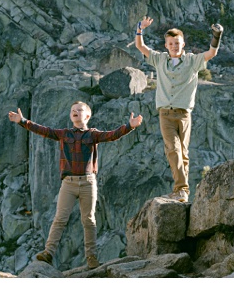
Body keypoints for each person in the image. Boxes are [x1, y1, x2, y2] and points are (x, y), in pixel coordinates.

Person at [8, 101, 143, 270]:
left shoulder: (93, 135)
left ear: (87, 116)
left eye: (79, 110)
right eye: (73, 110)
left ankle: (92, 258)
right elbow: (44, 130)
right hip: (68, 184)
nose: (75, 112)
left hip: (88, 183)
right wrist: (22, 121)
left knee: (89, 220)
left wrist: (129, 126)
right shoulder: (64, 134)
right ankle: (48, 253)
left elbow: (112, 135)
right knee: (59, 219)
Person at [134, 17, 222, 203]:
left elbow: (211, 53)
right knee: (173, 149)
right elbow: (141, 47)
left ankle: (182, 191)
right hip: (165, 113)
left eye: (177, 43)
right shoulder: (159, 59)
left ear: (183, 44)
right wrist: (140, 29)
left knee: (183, 152)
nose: (174, 46)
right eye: (171, 43)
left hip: (183, 114)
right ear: (166, 45)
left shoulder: (192, 61)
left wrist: (216, 35)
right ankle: (181, 189)